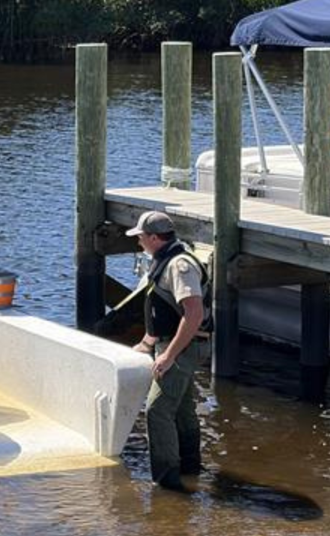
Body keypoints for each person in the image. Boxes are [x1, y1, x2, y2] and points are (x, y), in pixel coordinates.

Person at [127, 211, 209, 492]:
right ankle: (191, 468)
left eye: (140, 237)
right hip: (174, 344)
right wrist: (148, 343)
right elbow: (161, 311)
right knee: (183, 409)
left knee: (158, 410)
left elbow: (193, 314)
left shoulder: (179, 266)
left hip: (183, 347)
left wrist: (169, 355)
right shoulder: (163, 262)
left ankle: (167, 482)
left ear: (153, 238)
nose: (138, 242)